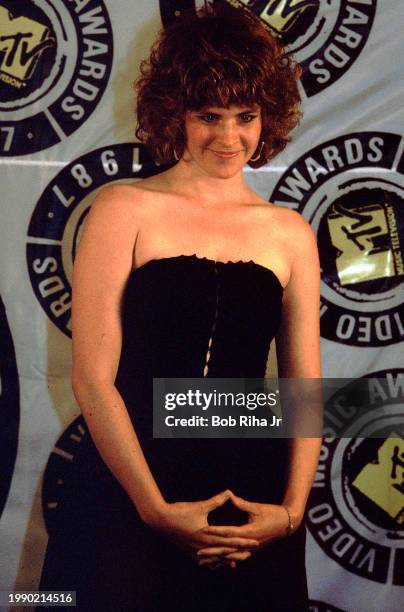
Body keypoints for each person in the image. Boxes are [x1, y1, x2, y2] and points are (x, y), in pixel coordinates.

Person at [38, 3, 322, 611]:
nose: (229, 137)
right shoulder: (121, 209)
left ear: (268, 115)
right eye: (209, 115)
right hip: (128, 481)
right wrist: (154, 509)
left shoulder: (290, 231)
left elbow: (303, 386)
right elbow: (93, 378)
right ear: (176, 112)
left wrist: (290, 513)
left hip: (250, 496)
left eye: (246, 116)